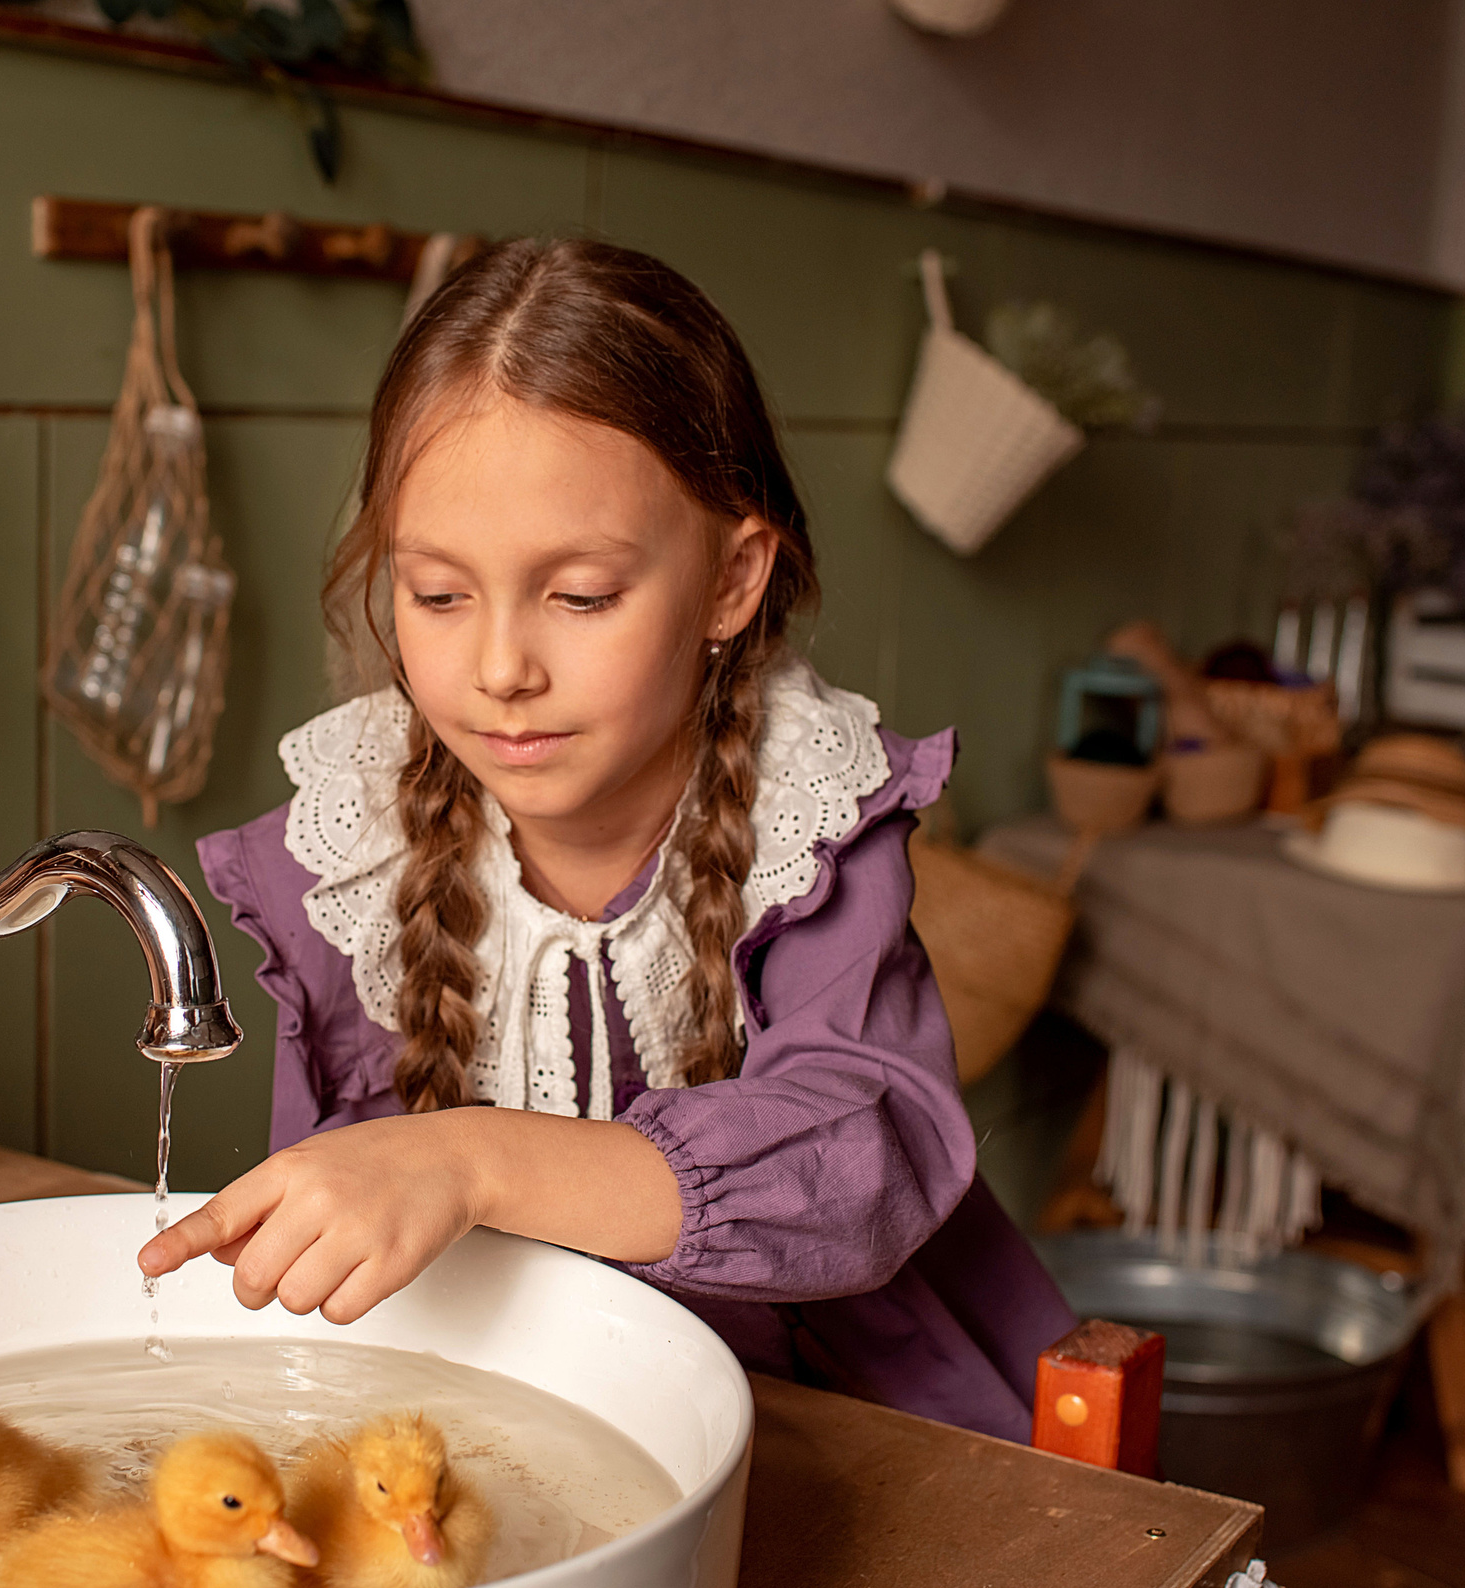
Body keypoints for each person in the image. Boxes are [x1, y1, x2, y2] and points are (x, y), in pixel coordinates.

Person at [143, 238, 1075, 1442]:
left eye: (579, 595)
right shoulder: (348, 849)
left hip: (840, 1424)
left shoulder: (811, 818)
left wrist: (473, 1159)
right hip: (508, 1410)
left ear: (732, 581)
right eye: (436, 594)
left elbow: (861, 1159)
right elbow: (347, 1219)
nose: (499, 669)